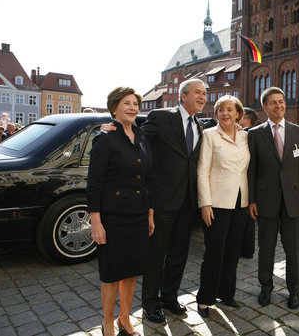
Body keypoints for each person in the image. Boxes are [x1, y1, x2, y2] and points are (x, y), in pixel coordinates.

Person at [87, 87, 154, 336]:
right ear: (114, 107)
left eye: (135, 104)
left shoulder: (142, 137)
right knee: (112, 273)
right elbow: (94, 183)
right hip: (112, 217)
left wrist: (149, 212)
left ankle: (125, 318)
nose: (132, 108)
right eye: (126, 103)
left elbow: (147, 179)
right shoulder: (105, 139)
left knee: (132, 270)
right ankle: (107, 321)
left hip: (138, 214)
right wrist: (96, 222)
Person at [140, 79, 206, 322]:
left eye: (204, 93)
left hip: (187, 202)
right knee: (156, 254)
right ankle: (150, 303)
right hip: (161, 200)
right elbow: (139, 141)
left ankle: (169, 297)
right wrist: (116, 129)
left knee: (179, 253)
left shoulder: (200, 126)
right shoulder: (161, 117)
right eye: (198, 93)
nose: (202, 97)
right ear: (183, 96)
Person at [247, 87, 299, 309]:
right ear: (265, 107)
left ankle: (294, 291)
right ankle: (266, 288)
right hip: (266, 202)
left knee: (293, 250)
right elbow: (252, 170)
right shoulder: (255, 134)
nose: (279, 106)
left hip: (294, 202)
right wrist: (252, 200)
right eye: (273, 103)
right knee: (266, 249)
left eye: (281, 101)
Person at [196, 95, 250, 318]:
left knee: (232, 252)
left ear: (238, 113)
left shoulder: (246, 136)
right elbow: (202, 170)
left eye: (230, 109)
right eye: (221, 110)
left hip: (241, 202)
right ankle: (204, 299)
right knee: (214, 253)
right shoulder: (209, 135)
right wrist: (205, 203)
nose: (225, 113)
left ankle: (227, 294)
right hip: (216, 203)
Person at [240, 107, 259, 259]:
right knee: (249, 219)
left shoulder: (245, 134)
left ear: (246, 120)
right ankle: (248, 249)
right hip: (253, 182)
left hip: (244, 180)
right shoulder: (257, 133)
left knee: (244, 218)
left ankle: (244, 248)